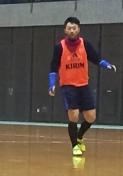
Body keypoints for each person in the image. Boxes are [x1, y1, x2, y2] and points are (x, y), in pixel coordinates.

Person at [48, 16, 116, 156]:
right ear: (65, 30)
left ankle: (79, 136)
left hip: (83, 85)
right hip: (68, 86)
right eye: (69, 28)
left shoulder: (85, 44)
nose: (72, 31)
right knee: (73, 115)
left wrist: (107, 65)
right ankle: (74, 146)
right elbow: (53, 67)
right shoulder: (59, 47)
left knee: (91, 117)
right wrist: (52, 84)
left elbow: (96, 58)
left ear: (78, 29)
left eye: (74, 28)